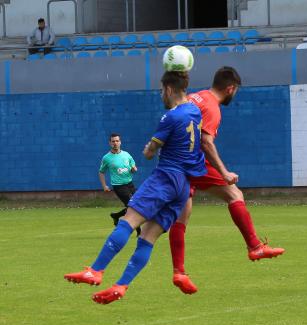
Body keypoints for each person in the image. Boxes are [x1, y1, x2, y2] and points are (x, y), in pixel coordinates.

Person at [64, 70, 207, 304]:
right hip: (183, 186)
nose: (161, 94)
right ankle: (121, 285)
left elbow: (150, 153)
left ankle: (96, 270)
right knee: (148, 237)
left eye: (162, 90)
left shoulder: (170, 117)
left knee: (128, 221)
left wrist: (148, 148)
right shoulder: (194, 111)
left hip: (165, 178)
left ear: (169, 89)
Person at [169, 66, 284, 295]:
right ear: (231, 88)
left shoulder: (195, 97)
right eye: (236, 91)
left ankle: (179, 271)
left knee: (182, 215)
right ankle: (255, 246)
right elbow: (206, 142)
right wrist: (223, 172)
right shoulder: (211, 106)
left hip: (173, 161)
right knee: (235, 194)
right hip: (193, 161)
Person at [99, 133, 140, 236]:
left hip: (130, 184)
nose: (115, 143)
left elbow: (133, 167)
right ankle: (139, 231)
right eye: (113, 141)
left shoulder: (127, 155)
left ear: (120, 142)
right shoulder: (107, 158)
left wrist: (134, 169)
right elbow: (101, 172)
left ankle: (116, 215)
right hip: (118, 186)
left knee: (138, 205)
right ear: (110, 143)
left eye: (117, 141)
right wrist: (104, 186)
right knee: (133, 207)